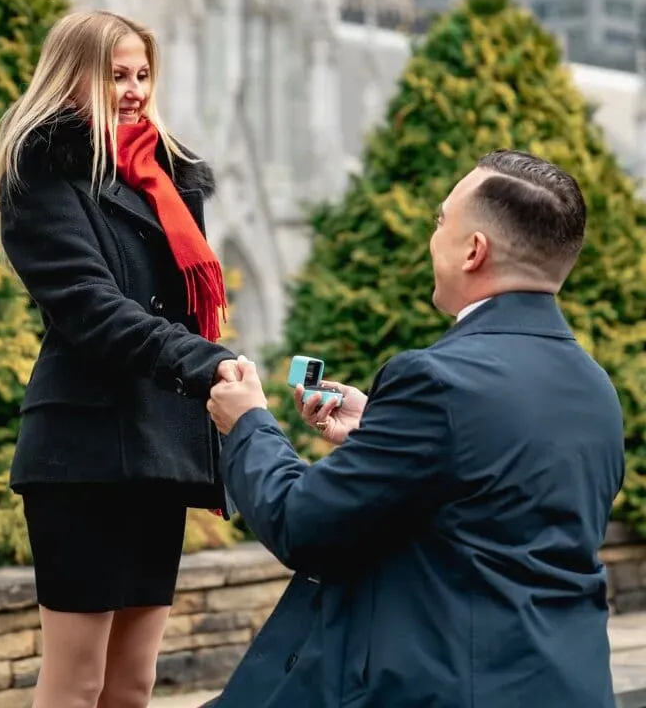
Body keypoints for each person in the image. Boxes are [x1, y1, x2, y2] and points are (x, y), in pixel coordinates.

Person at [206, 151, 625, 708]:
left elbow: (302, 523)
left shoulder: (436, 381)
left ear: (474, 251)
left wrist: (249, 424)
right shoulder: (596, 388)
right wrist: (379, 431)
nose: (433, 237)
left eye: (440, 221)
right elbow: (491, 501)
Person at [0, 9, 238, 708]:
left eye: (141, 74)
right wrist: (204, 363)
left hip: (159, 449)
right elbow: (93, 311)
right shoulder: (42, 174)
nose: (132, 89)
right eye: (114, 75)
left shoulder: (165, 180)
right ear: (72, 79)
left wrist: (215, 369)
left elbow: (183, 311)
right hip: (84, 453)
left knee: (133, 683)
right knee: (76, 682)